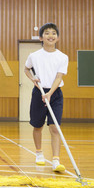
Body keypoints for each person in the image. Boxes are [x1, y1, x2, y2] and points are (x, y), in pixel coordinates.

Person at [24, 22, 68, 172]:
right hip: (39, 92)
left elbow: (59, 77)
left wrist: (49, 94)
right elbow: (26, 69)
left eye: (53, 33)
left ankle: (56, 160)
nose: (51, 35)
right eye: (47, 33)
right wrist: (33, 80)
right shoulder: (34, 56)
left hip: (55, 93)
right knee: (37, 126)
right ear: (41, 37)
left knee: (55, 127)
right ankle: (39, 153)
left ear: (58, 38)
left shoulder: (63, 57)